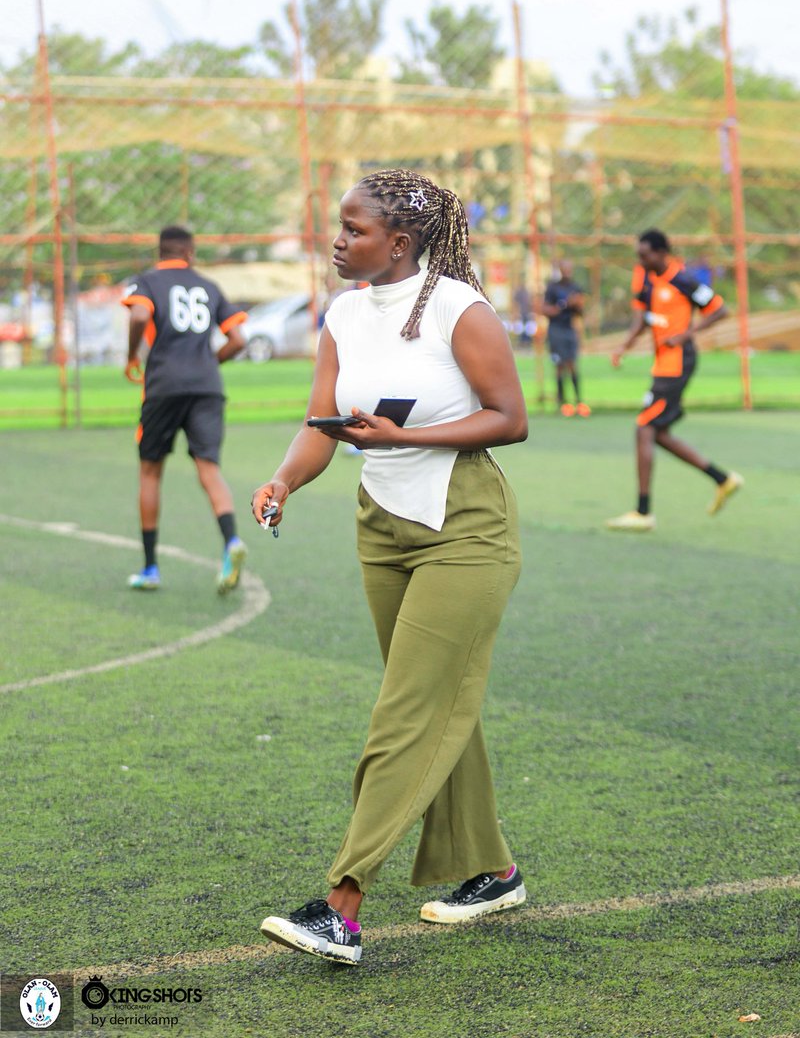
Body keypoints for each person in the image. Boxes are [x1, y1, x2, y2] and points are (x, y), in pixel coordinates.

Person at [251, 168, 529, 966]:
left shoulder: (457, 309)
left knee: (405, 711)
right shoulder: (342, 312)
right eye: (336, 227)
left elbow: (509, 418)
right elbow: (325, 422)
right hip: (383, 529)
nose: (337, 241)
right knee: (436, 701)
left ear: (399, 243)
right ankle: (493, 870)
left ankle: (341, 904)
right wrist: (285, 480)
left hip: (465, 527)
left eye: (353, 229)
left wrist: (400, 440)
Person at [122, 225, 249, 591]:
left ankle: (150, 569)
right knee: (209, 469)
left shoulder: (146, 282)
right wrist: (209, 363)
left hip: (163, 386)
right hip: (207, 387)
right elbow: (238, 339)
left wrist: (132, 356)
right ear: (190, 253)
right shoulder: (208, 286)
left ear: (159, 252)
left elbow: (139, 317)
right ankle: (231, 542)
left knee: (150, 472)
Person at [606, 228, 743, 532]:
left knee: (644, 427)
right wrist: (623, 346)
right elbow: (641, 317)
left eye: (645, 255)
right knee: (659, 434)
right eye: (638, 255)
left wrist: (688, 334)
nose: (640, 260)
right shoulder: (645, 278)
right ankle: (723, 479)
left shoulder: (684, 279)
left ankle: (643, 512)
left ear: (661, 253)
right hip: (663, 365)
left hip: (678, 364)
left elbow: (720, 309)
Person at [542, 258, 590, 416]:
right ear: (560, 270)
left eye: (570, 268)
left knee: (572, 365)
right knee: (559, 366)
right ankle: (562, 403)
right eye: (565, 268)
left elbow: (580, 313)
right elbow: (546, 310)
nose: (567, 271)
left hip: (569, 330)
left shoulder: (576, 287)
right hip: (556, 330)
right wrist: (565, 304)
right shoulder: (552, 287)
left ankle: (579, 401)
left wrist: (578, 305)